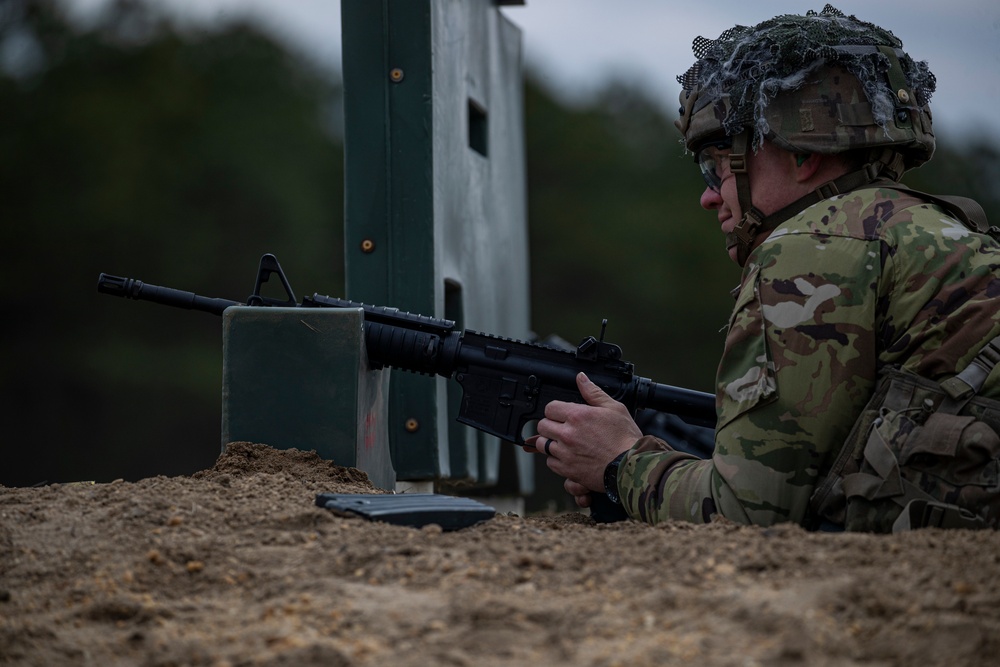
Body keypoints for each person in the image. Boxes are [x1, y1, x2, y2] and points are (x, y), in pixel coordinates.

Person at [526, 6, 1000, 531]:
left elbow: (746, 513)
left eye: (717, 166)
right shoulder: (935, 230)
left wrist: (618, 462)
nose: (710, 197)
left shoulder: (816, 245)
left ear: (802, 156)